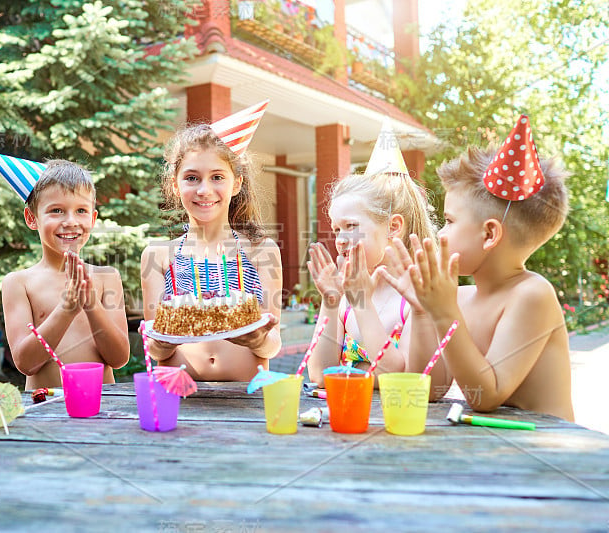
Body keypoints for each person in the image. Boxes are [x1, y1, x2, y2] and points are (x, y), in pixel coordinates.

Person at [380, 115, 574, 421]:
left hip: (545, 457)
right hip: (492, 453)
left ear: (489, 234)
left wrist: (444, 313)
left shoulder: (532, 295)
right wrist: (421, 312)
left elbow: (487, 395)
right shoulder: (460, 298)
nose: (440, 234)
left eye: (450, 221)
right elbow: (430, 389)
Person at [140, 101, 282, 381]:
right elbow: (157, 349)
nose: (205, 190)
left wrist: (256, 340)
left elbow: (273, 343)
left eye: (217, 177)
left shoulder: (261, 251)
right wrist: (161, 342)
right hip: (180, 397)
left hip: (246, 396)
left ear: (237, 183)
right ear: (174, 184)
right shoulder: (157, 255)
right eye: (192, 178)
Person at [307, 121, 438, 388]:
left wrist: (361, 302)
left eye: (351, 226)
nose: (340, 240)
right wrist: (331, 300)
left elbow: (398, 379)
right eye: (336, 229)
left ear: (393, 227)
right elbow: (319, 375)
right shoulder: (343, 298)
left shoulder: (416, 295)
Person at [0, 156, 129, 389]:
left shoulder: (107, 277)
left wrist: (91, 306)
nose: (70, 221)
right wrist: (66, 310)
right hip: (44, 408)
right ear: (31, 218)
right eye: (56, 210)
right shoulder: (19, 283)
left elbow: (118, 359)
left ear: (93, 218)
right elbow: (26, 364)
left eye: (81, 211)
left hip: (101, 405)